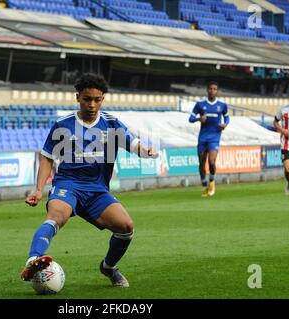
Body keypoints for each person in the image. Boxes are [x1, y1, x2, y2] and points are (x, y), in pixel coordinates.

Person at [21, 73, 158, 288]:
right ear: (78, 98)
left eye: (97, 99)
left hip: (97, 190)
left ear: (103, 99)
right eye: (87, 99)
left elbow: (133, 144)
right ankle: (33, 260)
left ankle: (109, 267)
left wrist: (147, 151)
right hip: (68, 185)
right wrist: (39, 189)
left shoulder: (111, 124)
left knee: (126, 227)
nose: (92, 104)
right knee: (56, 216)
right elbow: (47, 156)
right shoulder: (63, 125)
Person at [189, 81, 229, 197]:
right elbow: (190, 118)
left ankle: (211, 181)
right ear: (207, 90)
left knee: (211, 161)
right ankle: (204, 184)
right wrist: (198, 119)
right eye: (210, 89)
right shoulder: (200, 104)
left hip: (214, 137)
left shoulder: (222, 105)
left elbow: (227, 117)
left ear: (217, 91)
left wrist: (225, 124)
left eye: (215, 89)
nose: (212, 91)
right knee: (202, 163)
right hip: (202, 138)